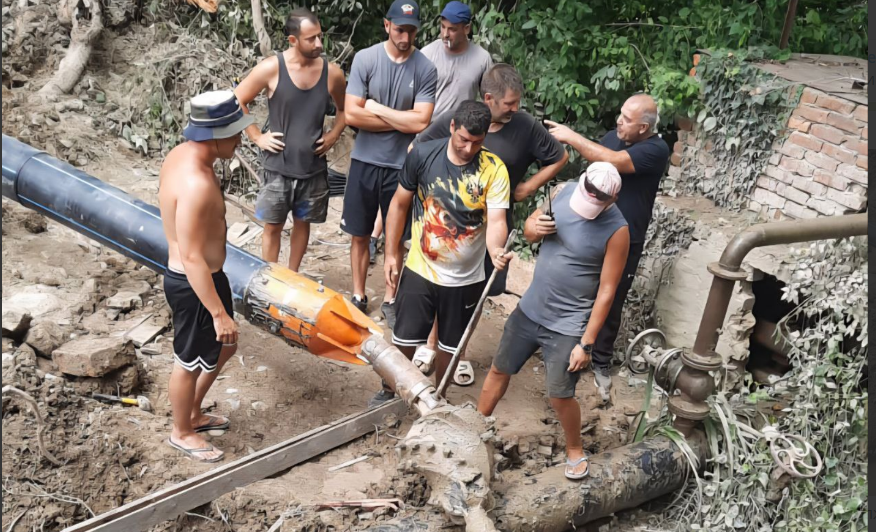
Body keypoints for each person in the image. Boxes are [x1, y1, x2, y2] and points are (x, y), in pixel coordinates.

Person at [411, 64, 568, 378]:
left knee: (475, 293)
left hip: (494, 226)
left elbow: (559, 156)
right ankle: (431, 345)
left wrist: (527, 187)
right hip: (450, 225)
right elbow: (417, 149)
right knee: (442, 283)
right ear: (488, 99)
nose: (515, 108)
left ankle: (458, 352)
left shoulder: (525, 126)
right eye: (509, 103)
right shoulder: (461, 119)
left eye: (517, 101)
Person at [477, 162, 630, 480]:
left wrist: (586, 344)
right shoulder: (561, 192)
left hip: (568, 324)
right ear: (582, 182)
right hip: (530, 309)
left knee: (560, 394)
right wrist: (535, 228)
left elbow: (607, 291)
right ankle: (476, 427)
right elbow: (529, 231)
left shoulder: (617, 231)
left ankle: (574, 449)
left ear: (612, 200)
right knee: (499, 369)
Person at [373, 100, 513, 407]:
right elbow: (398, 204)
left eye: (477, 142)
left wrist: (495, 250)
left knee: (452, 346)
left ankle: (439, 398)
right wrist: (392, 254)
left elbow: (497, 221)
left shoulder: (494, 169)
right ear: (452, 127)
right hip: (421, 267)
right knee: (404, 338)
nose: (468, 148)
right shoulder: (423, 155)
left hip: (466, 278)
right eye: (463, 139)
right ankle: (389, 391)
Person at [546, 94, 669, 403]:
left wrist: (571, 136)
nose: (619, 121)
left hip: (626, 236)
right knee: (576, 286)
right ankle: (561, 342)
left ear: (644, 127)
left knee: (611, 297)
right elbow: (595, 172)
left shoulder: (655, 149)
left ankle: (600, 360)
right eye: (621, 115)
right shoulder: (613, 138)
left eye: (626, 119)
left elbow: (613, 161)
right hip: (591, 228)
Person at [158, 90, 253, 463]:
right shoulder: (196, 184)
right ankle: (181, 431)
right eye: (235, 133)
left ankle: (193, 413)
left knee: (226, 346)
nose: (240, 140)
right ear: (215, 135)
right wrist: (217, 312)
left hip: (208, 277)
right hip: (193, 282)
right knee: (188, 361)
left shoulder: (182, 155)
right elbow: (191, 256)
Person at [343, 0, 438, 321]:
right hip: (364, 160)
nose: (405, 37)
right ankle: (358, 293)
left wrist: (376, 108)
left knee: (395, 238)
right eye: (399, 29)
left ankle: (390, 298)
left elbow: (421, 122)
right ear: (387, 25)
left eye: (411, 31)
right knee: (359, 233)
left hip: (402, 167)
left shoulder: (425, 68)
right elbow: (352, 114)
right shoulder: (365, 58)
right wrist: (402, 120)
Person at [235, 8, 346, 272]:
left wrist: (333, 135)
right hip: (278, 168)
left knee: (302, 223)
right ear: (293, 40)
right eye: (311, 39)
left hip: (313, 168)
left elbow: (346, 109)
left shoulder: (332, 73)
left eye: (320, 36)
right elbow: (238, 99)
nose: (319, 44)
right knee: (272, 225)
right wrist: (256, 136)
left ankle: (292, 275)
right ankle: (270, 277)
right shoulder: (272, 68)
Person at [421, 1, 493, 119]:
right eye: (443, 27)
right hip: (430, 126)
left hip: (463, 127)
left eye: (452, 29)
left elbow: (490, 99)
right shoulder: (427, 54)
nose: (445, 34)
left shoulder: (482, 58)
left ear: (466, 29)